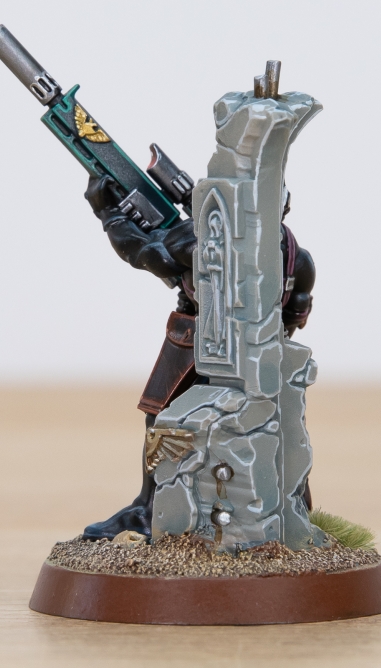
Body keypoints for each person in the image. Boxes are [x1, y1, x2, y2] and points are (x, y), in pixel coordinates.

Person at [81, 172, 315, 540]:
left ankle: (149, 508)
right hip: (260, 353)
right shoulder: (297, 257)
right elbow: (296, 314)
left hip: (198, 344)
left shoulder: (200, 239)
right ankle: (292, 506)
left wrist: (109, 213)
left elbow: (142, 253)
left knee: (162, 419)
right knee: (276, 422)